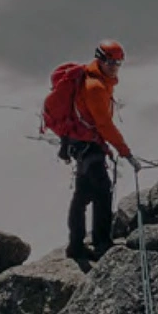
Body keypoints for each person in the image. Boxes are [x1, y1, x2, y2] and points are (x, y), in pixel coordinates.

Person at [62, 39, 141, 261]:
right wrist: (125, 152)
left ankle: (76, 245)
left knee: (83, 195)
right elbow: (104, 125)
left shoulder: (97, 81)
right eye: (111, 62)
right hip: (89, 146)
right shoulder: (95, 87)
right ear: (100, 59)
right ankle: (101, 242)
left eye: (118, 63)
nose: (115, 67)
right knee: (102, 192)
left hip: (82, 144)